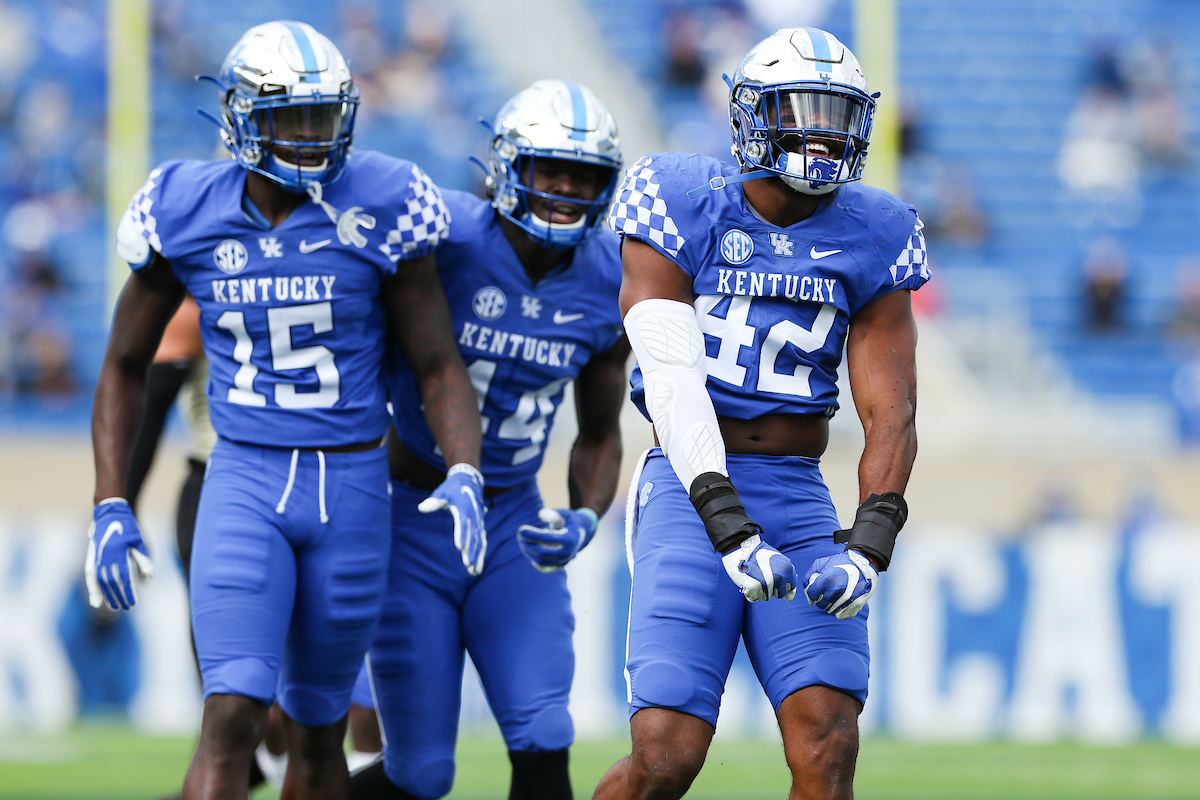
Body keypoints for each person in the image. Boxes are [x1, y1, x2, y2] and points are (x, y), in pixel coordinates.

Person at [87, 21, 483, 800]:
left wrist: (463, 465)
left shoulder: (385, 198)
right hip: (243, 480)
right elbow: (125, 364)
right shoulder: (185, 206)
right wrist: (108, 499)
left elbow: (437, 362)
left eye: (321, 116)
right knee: (231, 714)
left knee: (316, 732)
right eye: (288, 117)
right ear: (238, 115)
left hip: (353, 486)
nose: (308, 136)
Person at [597, 27, 927, 799]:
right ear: (751, 114)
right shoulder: (681, 199)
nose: (821, 131)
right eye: (802, 109)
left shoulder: (874, 230)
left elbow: (892, 405)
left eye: (837, 114)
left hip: (796, 493)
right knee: (667, 753)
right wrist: (725, 522)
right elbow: (672, 379)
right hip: (688, 490)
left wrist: (872, 540)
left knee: (828, 742)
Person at [349, 80, 629, 800]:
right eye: (549, 169)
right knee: (422, 774)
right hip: (410, 514)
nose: (567, 189)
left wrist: (586, 514)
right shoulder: (443, 237)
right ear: (508, 166)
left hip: (512, 521)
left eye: (585, 176)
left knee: (545, 736)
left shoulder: (608, 278)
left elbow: (600, 432)